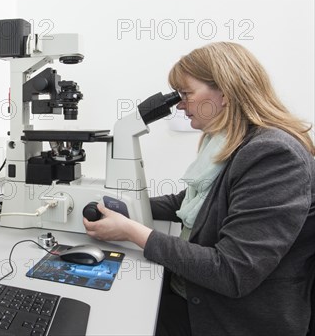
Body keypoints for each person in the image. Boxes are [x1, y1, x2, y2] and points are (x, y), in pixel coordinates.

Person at [83, 42, 315, 336]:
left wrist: (132, 231)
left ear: (225, 94)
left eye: (186, 94)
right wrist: (116, 204)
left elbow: (232, 271)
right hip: (191, 292)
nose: (179, 105)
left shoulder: (273, 155)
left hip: (229, 319)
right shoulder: (226, 142)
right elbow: (189, 203)